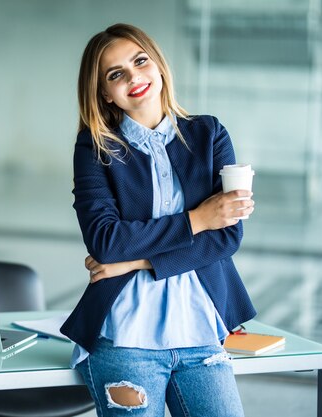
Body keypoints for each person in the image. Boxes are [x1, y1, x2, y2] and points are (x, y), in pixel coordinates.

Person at [60, 23, 257, 417]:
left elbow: (226, 238)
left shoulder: (209, 134)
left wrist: (136, 260)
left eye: (140, 61)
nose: (133, 77)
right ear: (104, 92)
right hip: (125, 338)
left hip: (202, 332)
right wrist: (198, 218)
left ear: (159, 66)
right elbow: (105, 241)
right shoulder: (95, 147)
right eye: (116, 74)